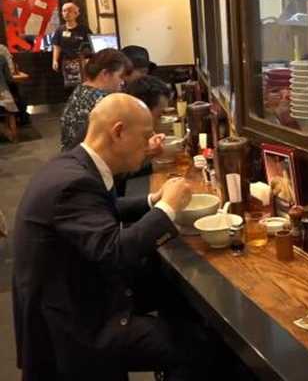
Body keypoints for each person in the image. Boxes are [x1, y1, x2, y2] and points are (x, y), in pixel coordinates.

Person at [12, 93, 222, 380]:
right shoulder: (73, 183)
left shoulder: (76, 163)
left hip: (78, 292)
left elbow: (102, 209)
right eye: (146, 135)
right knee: (196, 347)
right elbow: (115, 252)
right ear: (119, 132)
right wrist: (168, 207)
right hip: (75, 324)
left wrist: (151, 200)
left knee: (174, 296)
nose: (150, 143)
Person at [59, 48, 132, 151]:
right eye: (120, 77)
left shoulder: (80, 89)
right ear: (105, 74)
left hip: (70, 158)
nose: (122, 82)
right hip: (87, 161)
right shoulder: (104, 101)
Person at [51, 2, 92, 73]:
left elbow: (91, 45)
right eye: (64, 11)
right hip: (66, 63)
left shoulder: (84, 29)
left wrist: (88, 59)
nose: (66, 13)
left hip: (82, 62)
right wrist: (55, 60)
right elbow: (57, 46)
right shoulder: (60, 30)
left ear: (76, 13)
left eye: (69, 11)